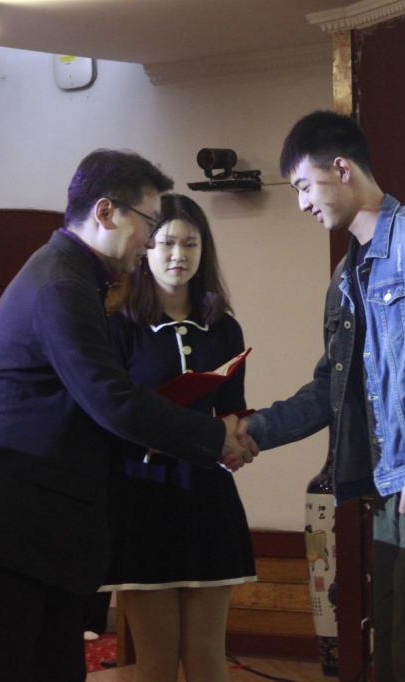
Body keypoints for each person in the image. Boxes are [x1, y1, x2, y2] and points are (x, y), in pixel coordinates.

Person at [0, 149, 252, 682]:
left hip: (38, 524)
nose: (151, 240)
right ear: (105, 212)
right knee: (3, 668)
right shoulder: (61, 283)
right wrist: (213, 436)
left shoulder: (75, 278)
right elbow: (111, 399)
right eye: (149, 222)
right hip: (8, 521)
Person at [239, 111, 405, 682]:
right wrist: (251, 432)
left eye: (304, 186)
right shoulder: (345, 274)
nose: (301, 204)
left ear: (340, 168)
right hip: (385, 493)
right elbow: (329, 389)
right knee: (392, 653)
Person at [101, 193, 256, 682]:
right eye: (167, 242)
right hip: (141, 496)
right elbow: (110, 414)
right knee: (157, 661)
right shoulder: (119, 326)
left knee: (207, 654)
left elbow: (231, 408)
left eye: (191, 244)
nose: (178, 255)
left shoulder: (223, 328)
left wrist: (239, 438)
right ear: (145, 248)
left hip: (207, 496)